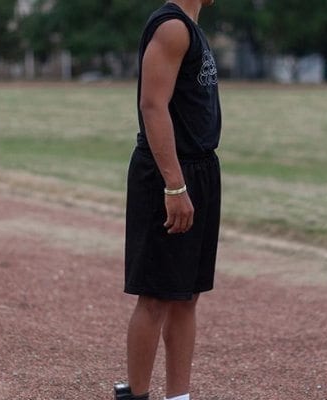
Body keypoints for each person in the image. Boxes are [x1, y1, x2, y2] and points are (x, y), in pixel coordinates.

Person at [117, 0, 221, 399]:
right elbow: (152, 105)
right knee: (156, 296)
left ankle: (179, 397)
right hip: (169, 172)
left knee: (186, 296)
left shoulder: (191, 28)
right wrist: (174, 186)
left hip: (200, 168)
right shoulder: (172, 28)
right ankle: (137, 394)